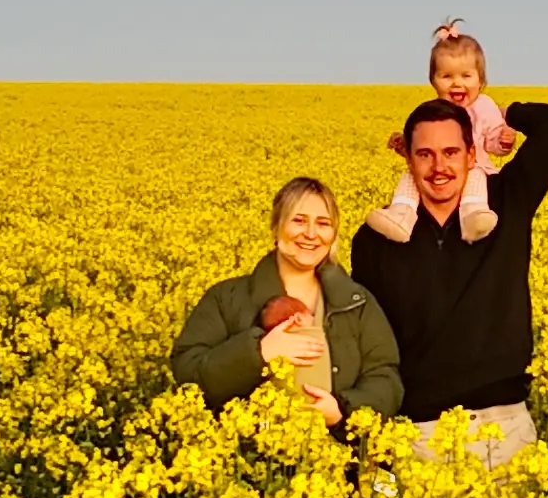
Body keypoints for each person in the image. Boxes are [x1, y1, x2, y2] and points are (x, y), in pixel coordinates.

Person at [351, 91, 548, 468]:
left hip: (505, 431)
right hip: (421, 438)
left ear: (472, 156)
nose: (439, 166)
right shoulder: (378, 238)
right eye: (425, 154)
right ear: (407, 158)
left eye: (451, 152)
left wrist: (498, 113)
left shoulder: (506, 202)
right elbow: (367, 343)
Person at [171, 176, 402, 427]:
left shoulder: (356, 302)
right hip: (248, 456)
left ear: (333, 233)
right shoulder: (226, 299)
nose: (311, 234)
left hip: (336, 457)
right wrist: (260, 351)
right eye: (299, 221)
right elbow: (187, 374)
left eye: (323, 223)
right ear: (276, 226)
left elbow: (385, 377)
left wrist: (341, 412)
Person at [366, 19, 512, 244]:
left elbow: (493, 140)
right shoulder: (432, 111)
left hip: (475, 169)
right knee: (411, 175)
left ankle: (474, 217)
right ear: (433, 81)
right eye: (447, 77)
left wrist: (503, 141)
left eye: (466, 76)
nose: (456, 84)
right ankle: (400, 217)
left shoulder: (483, 106)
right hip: (439, 179)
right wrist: (405, 144)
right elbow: (422, 148)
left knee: (475, 176)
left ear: (480, 80)